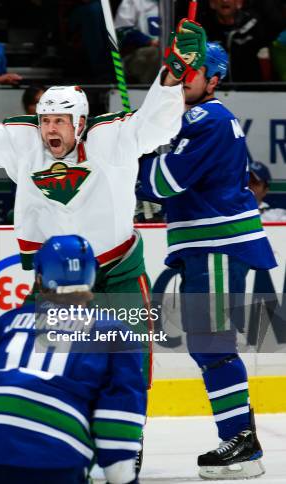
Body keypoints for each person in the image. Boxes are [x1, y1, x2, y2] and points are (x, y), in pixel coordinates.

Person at [0, 20, 206, 313]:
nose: (50, 129)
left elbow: (154, 126)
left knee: (129, 355)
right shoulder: (26, 144)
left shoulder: (112, 138)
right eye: (45, 121)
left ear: (81, 123)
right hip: (57, 280)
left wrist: (174, 75)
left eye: (60, 121)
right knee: (46, 360)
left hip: (117, 275)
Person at [137, 43, 274, 479]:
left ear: (213, 80)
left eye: (192, 73)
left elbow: (164, 181)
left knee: (211, 343)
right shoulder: (192, 117)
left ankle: (241, 443)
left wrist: (130, 162)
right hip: (208, 244)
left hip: (217, 242)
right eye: (179, 70)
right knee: (209, 343)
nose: (183, 78)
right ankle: (242, 437)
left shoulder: (208, 118)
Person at [0, 235, 146, 484]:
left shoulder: (7, 323)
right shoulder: (114, 332)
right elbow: (116, 412)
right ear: (92, 276)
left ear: (38, 278)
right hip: (51, 462)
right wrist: (122, 478)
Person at [198, 0, 270, 82]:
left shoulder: (254, 25)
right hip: (216, 87)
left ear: (239, 3)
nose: (224, 1)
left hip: (250, 87)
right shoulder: (202, 29)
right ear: (212, 3)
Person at [114, 0, 161, 84]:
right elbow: (121, 31)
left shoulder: (174, 4)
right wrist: (148, 41)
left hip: (170, 51)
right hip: (136, 54)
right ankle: (152, 93)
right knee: (156, 54)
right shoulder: (132, 2)